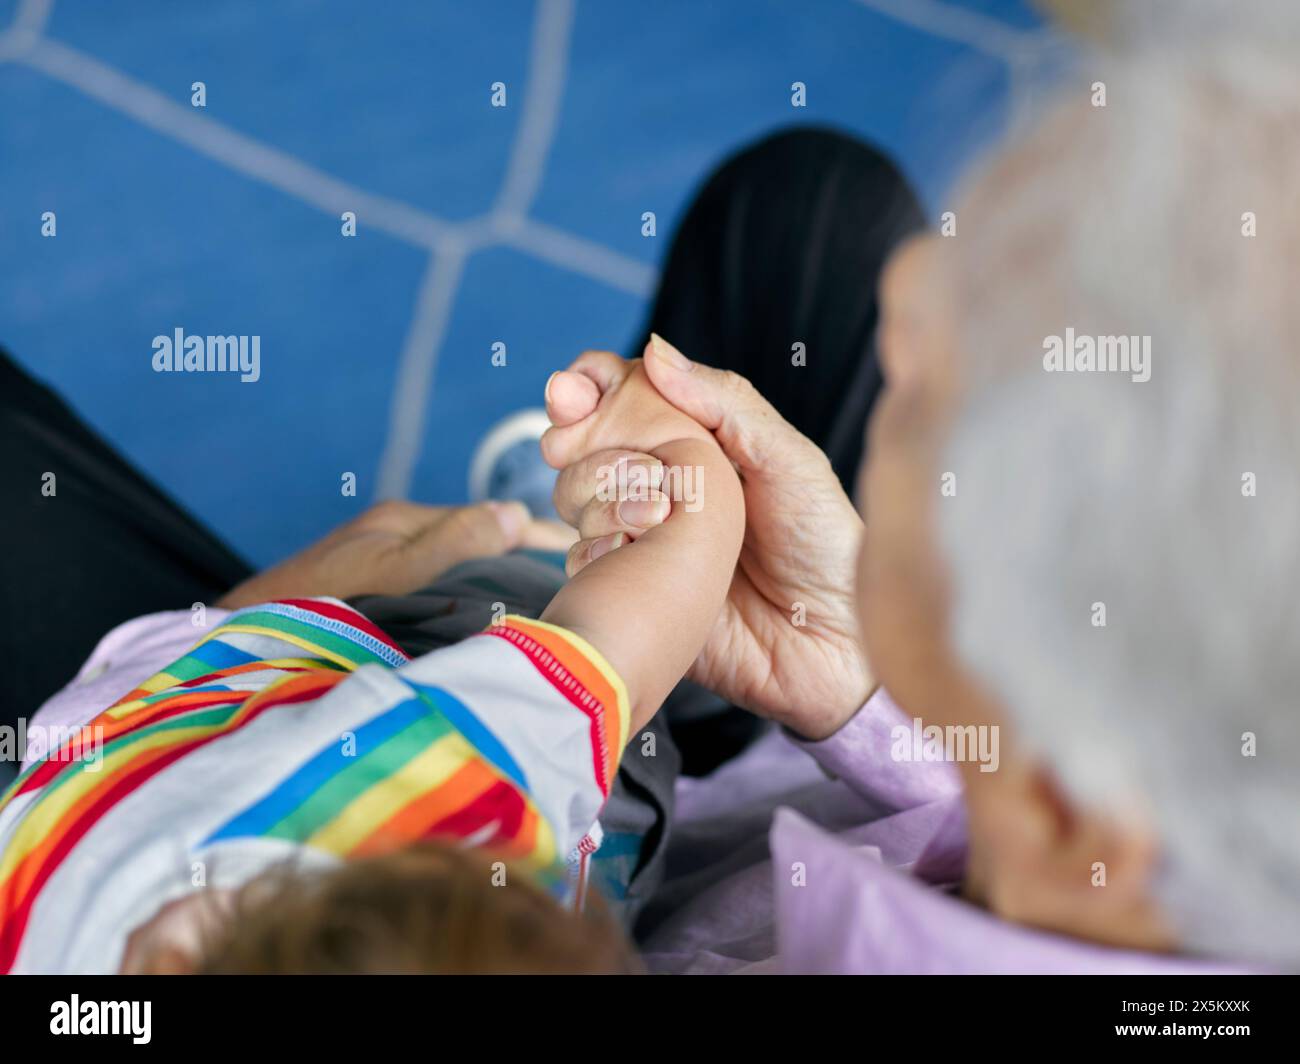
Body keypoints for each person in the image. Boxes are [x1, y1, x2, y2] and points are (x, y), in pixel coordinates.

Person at [546, 41, 1300, 971]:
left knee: (466, 587)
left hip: (570, 848)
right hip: (786, 741)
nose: (903, 292)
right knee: (819, 202)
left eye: (929, 392)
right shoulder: (1134, 827)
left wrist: (553, 655)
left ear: (1061, 810)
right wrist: (853, 688)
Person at [0, 353, 743, 973]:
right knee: (538, 607)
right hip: (296, 690)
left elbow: (610, 643)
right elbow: (623, 645)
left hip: (137, 725)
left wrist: (675, 470)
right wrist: (679, 479)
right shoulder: (448, 778)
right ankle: (554, 549)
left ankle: (553, 538)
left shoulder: (397, 766)